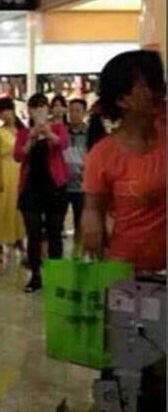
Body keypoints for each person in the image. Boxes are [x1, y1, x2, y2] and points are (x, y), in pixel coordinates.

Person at [82, 49, 166, 273]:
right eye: (148, 84)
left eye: (158, 82)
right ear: (122, 99)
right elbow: (93, 209)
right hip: (129, 274)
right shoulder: (103, 154)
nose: (158, 91)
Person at [14, 93, 69, 292]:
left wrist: (47, 132)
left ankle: (56, 275)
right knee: (33, 233)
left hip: (55, 187)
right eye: (34, 107)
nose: (38, 111)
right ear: (28, 110)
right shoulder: (23, 132)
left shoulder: (57, 127)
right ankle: (36, 275)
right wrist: (31, 137)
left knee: (55, 232)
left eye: (42, 107)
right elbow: (18, 156)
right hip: (31, 187)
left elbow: (62, 144)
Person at [0, 98, 25, 260]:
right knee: (2, 207)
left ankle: (19, 239)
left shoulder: (22, 131)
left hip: (20, 170)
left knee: (19, 208)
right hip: (4, 169)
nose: (6, 115)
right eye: (3, 112)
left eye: (9, 111)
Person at [64, 98, 88, 251]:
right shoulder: (61, 133)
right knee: (57, 221)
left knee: (81, 221)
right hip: (63, 184)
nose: (74, 114)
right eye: (71, 111)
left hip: (82, 185)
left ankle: (78, 251)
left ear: (84, 113)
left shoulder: (90, 134)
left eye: (78, 111)